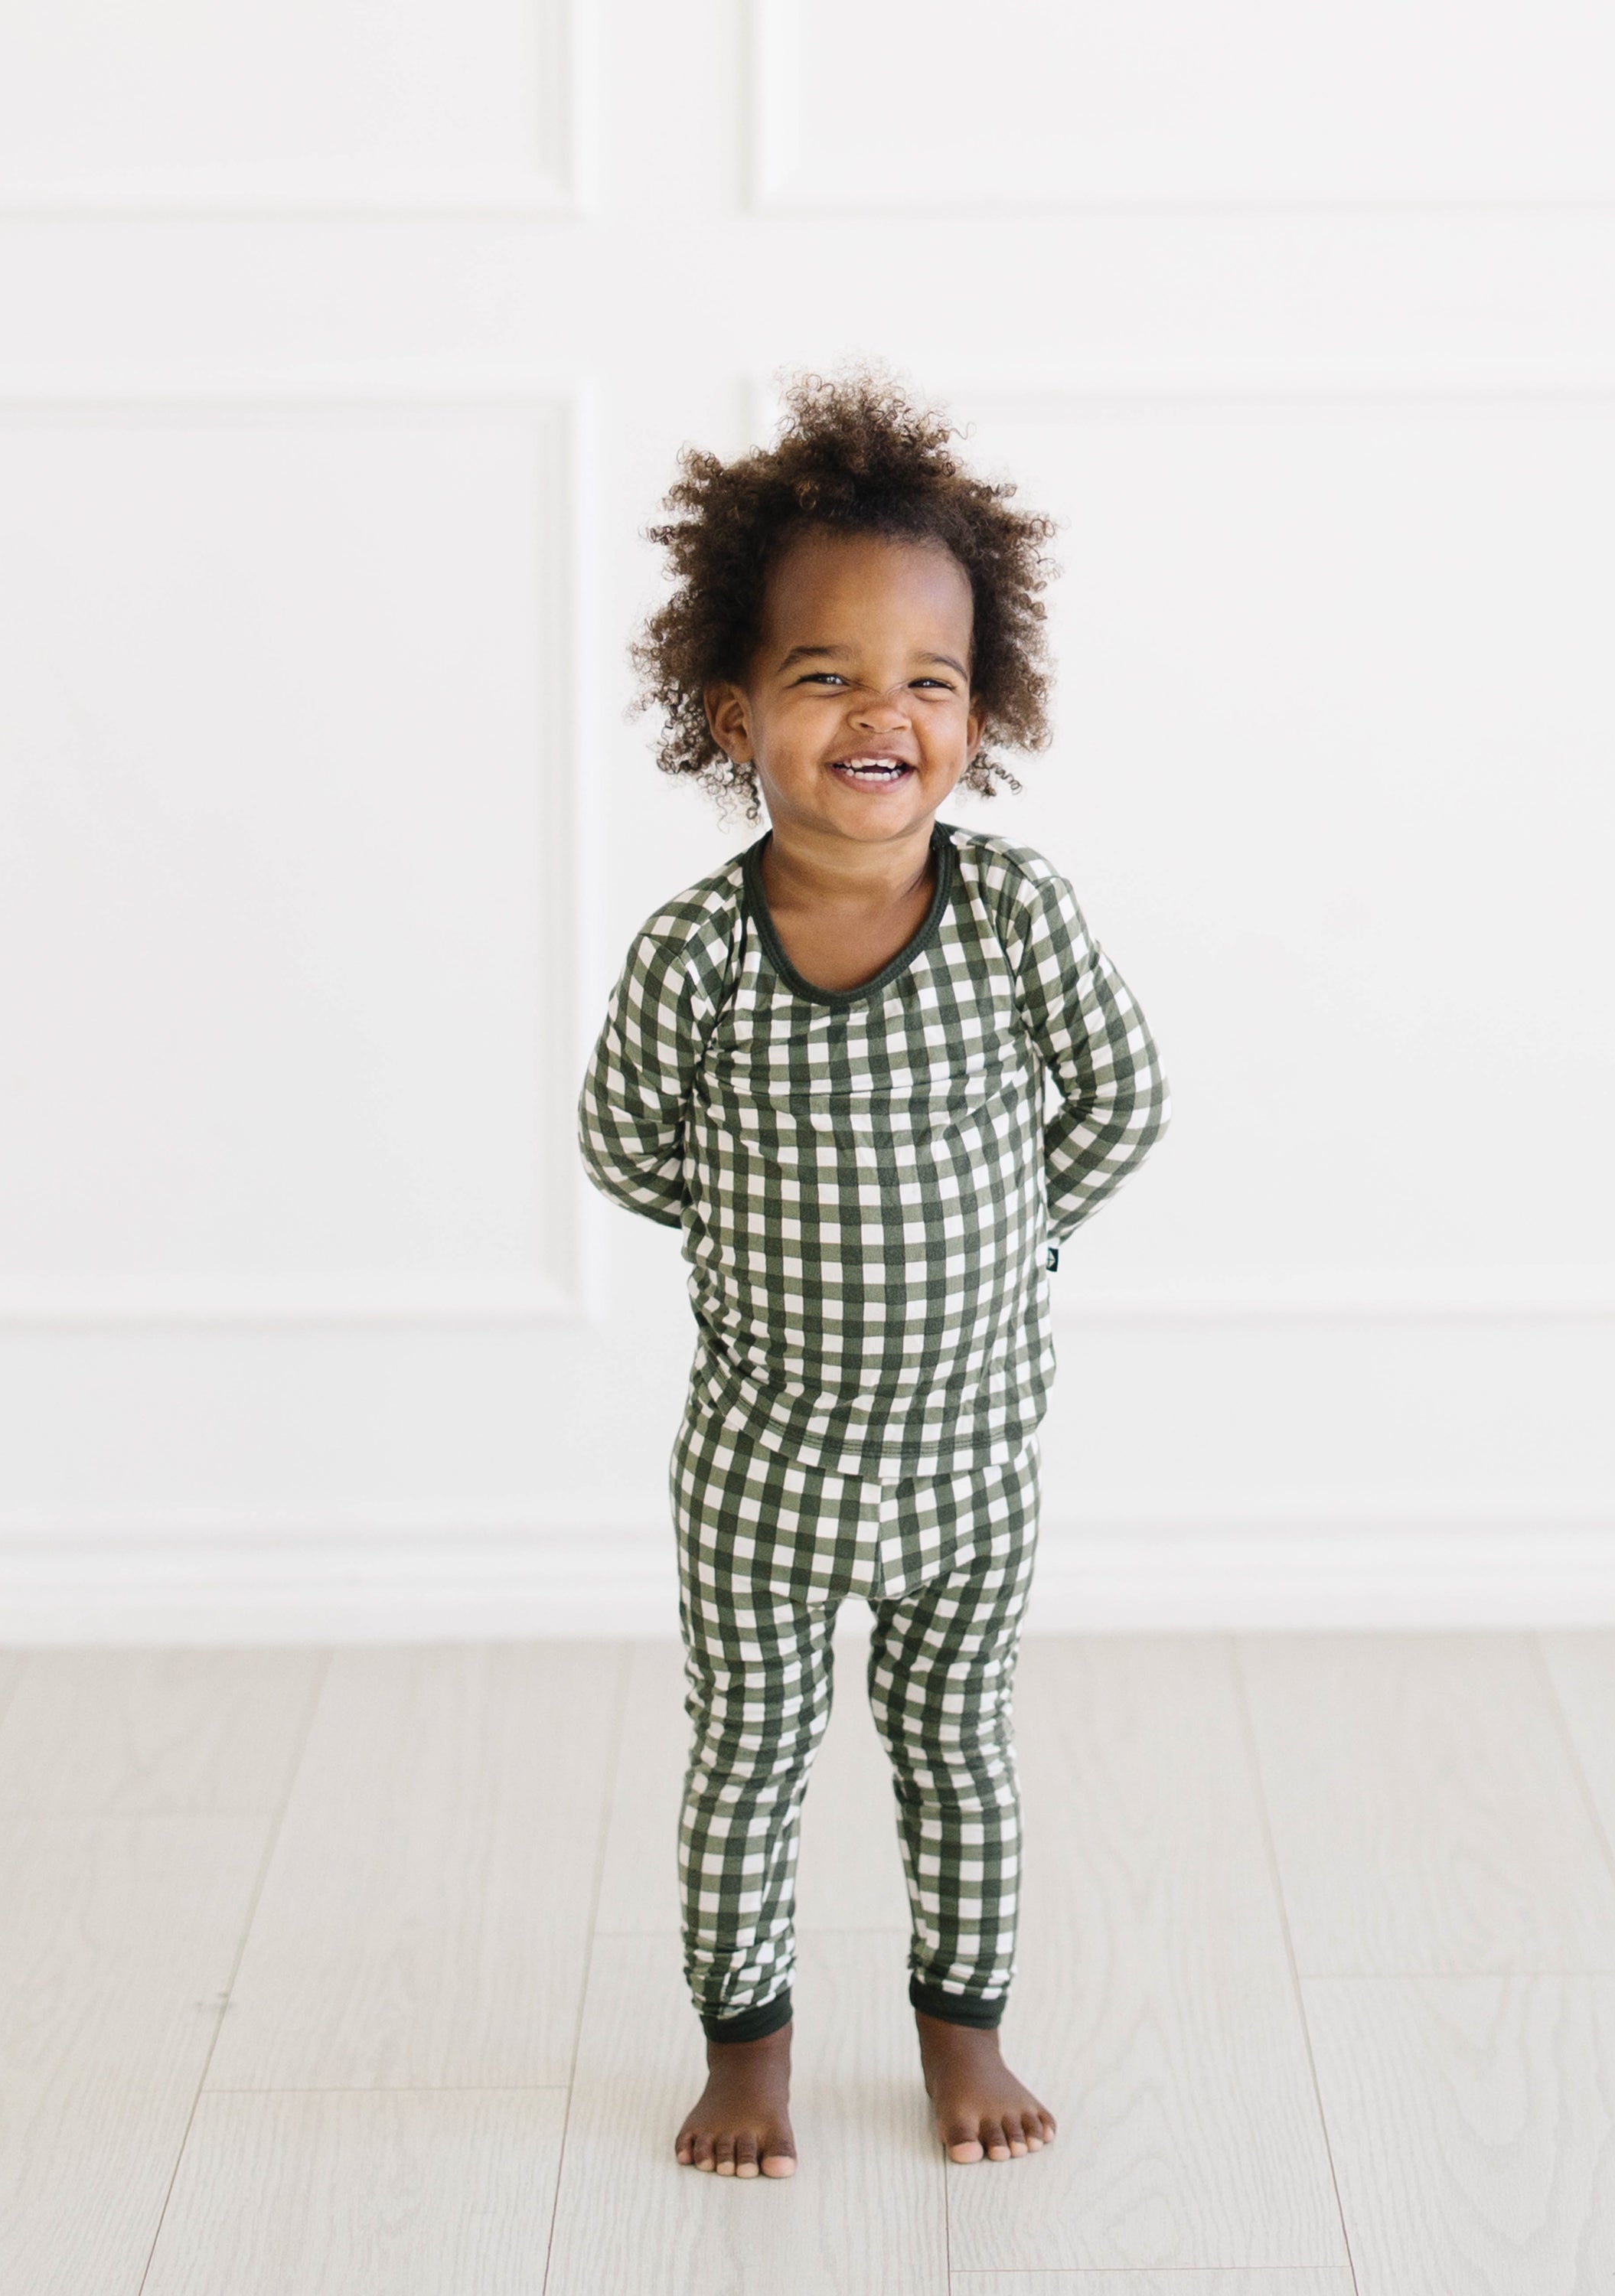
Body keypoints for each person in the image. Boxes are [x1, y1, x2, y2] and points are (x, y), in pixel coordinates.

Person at [578, 370, 1169, 2178]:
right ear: (733, 708)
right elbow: (625, 1146)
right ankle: (743, 2055)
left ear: (980, 718)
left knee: (956, 1750)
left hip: (970, 1458)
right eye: (828, 676)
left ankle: (961, 2038)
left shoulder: (1013, 917)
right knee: (745, 1758)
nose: (880, 715)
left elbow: (1122, 1104)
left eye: (927, 681)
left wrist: (1011, 1240)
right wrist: (770, 1248)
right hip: (765, 1463)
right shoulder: (696, 951)